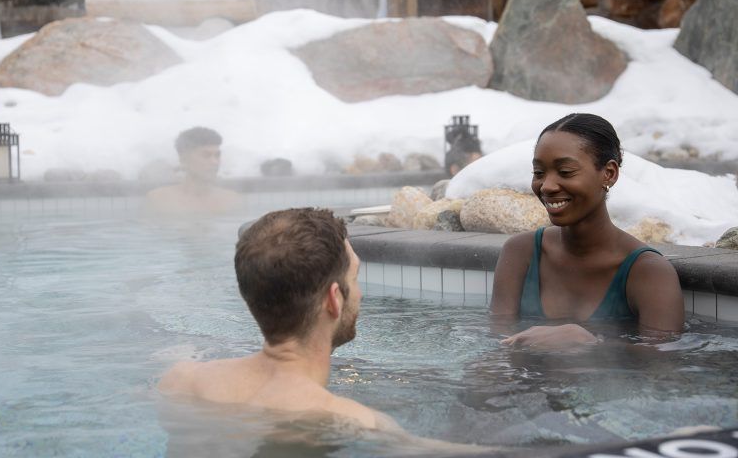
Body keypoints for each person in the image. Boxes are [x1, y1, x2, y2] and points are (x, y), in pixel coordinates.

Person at [159, 208, 497, 453]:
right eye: (355, 277)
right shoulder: (351, 420)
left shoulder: (182, 380)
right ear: (334, 299)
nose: (360, 293)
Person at [491, 113, 684, 348]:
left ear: (609, 173)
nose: (547, 186)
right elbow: (496, 345)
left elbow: (663, 366)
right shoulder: (521, 253)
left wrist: (588, 343)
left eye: (566, 172)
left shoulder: (647, 272)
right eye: (539, 173)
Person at [144, 127, 239, 216]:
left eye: (217, 155)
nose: (215, 162)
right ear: (184, 159)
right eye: (206, 155)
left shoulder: (232, 200)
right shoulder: (159, 200)